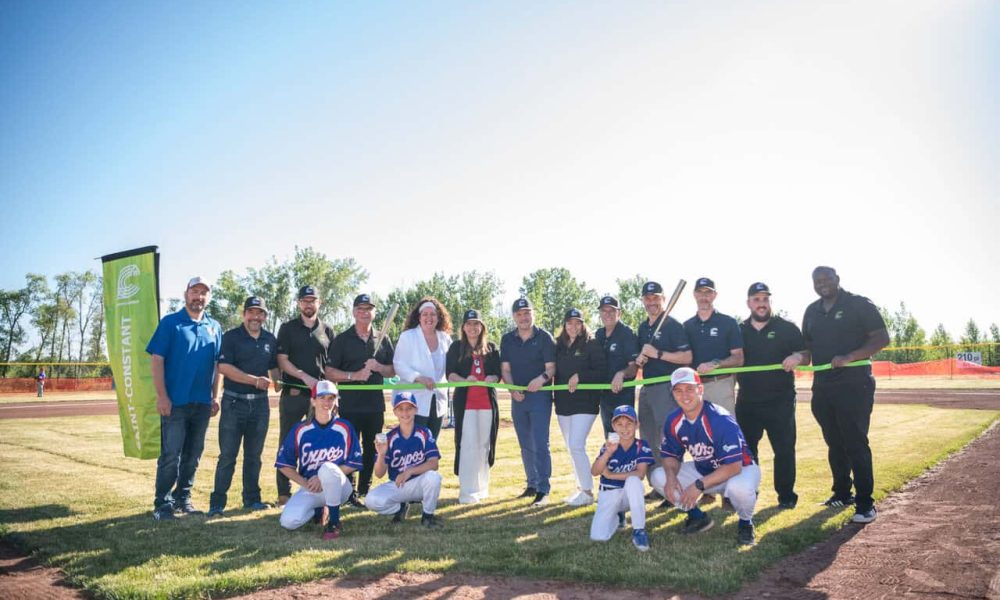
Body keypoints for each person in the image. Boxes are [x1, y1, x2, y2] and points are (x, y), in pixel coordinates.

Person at [802, 266, 889, 524]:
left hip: (854, 384)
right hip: (823, 387)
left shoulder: (858, 304)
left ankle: (865, 504)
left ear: (837, 280)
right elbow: (808, 348)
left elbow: (882, 338)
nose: (822, 284)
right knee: (834, 442)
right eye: (817, 281)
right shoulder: (811, 311)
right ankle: (842, 493)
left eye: (827, 279)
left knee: (855, 442)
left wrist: (850, 357)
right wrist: (797, 357)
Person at [650, 367, 761, 545]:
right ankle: (697, 517)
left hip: (739, 470)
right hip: (705, 470)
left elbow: (733, 466)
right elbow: (670, 454)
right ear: (672, 393)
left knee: (739, 488)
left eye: (689, 389)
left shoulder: (719, 418)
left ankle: (745, 523)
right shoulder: (673, 420)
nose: (684, 395)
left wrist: (698, 486)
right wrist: (671, 478)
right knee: (658, 476)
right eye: (678, 390)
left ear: (700, 389)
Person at [146, 276, 223, 521]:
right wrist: (162, 396)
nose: (198, 297)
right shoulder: (170, 323)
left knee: (193, 454)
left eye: (203, 293)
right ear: (185, 294)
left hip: (202, 404)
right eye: (194, 291)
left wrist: (215, 396)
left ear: (207, 297)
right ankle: (162, 504)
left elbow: (217, 365)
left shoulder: (214, 326)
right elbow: (157, 360)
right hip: (175, 402)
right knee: (171, 455)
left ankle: (183, 498)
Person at [737, 282, 809, 509]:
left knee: (784, 449)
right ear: (749, 303)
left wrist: (798, 356)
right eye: (756, 300)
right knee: (748, 451)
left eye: (765, 299)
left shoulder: (787, 328)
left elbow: (807, 354)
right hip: (748, 401)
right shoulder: (739, 330)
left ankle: (786, 496)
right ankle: (751, 492)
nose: (761, 304)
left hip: (781, 401)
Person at [208, 296, 281, 517]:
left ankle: (252, 500)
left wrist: (280, 383)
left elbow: (274, 368)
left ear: (265, 316)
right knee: (227, 455)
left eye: (260, 313)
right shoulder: (231, 337)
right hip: (233, 403)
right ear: (244, 314)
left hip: (260, 406)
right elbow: (224, 368)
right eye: (251, 312)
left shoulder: (270, 338)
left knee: (254, 456)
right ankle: (217, 504)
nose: (255, 317)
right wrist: (255, 381)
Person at [325, 294, 396, 505]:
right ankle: (349, 492)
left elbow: (392, 370)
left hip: (374, 405)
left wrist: (379, 367)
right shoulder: (342, 339)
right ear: (354, 312)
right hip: (350, 405)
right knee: (350, 449)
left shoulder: (382, 339)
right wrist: (353, 376)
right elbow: (329, 372)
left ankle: (365, 490)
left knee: (372, 448)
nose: (365, 313)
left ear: (374, 313)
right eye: (361, 309)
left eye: (369, 309)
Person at [275, 380, 362, 540]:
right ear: (313, 401)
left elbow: (353, 462)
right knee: (289, 521)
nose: (326, 402)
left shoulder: (344, 427)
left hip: (340, 487)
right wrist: (304, 483)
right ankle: (320, 510)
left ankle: (334, 522)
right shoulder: (301, 429)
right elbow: (283, 464)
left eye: (331, 398)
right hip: (311, 487)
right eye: (321, 397)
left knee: (327, 469)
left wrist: (323, 478)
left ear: (336, 401)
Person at [275, 285, 337, 506]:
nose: (308, 304)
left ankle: (319, 485)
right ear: (299, 303)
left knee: (321, 441)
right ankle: (284, 493)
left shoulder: (328, 330)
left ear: (319, 303)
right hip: (294, 395)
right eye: (304, 301)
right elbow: (282, 360)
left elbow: (331, 366)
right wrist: (304, 377)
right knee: (288, 443)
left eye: (313, 300)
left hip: (321, 399)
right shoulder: (287, 328)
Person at [500, 297, 557, 506]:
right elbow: (505, 370)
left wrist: (540, 380)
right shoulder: (507, 339)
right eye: (519, 314)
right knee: (525, 443)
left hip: (540, 397)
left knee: (541, 442)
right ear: (514, 317)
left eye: (527, 313)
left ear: (533, 314)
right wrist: (512, 389)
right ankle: (531, 483)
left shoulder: (544, 338)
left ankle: (543, 488)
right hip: (518, 398)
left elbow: (551, 368)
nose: (523, 317)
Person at [634, 281, 692, 481]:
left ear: (663, 299)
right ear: (643, 301)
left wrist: (657, 353)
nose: (651, 302)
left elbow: (687, 357)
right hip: (647, 388)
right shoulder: (643, 328)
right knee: (648, 438)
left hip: (666, 387)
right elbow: (641, 356)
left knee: (668, 438)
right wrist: (639, 360)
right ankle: (657, 484)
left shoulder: (673, 325)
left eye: (656, 298)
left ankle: (674, 481)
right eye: (647, 298)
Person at [446, 309, 501, 504]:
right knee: (468, 445)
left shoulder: (492, 348)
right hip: (466, 404)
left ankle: (482, 488)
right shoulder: (456, 348)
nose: (472, 328)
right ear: (463, 327)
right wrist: (464, 380)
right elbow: (450, 375)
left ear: (482, 327)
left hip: (487, 403)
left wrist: (491, 378)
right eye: (469, 324)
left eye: (476, 324)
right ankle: (467, 491)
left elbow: (497, 374)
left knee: (484, 445)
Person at [365, 391, 444, 528]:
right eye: (401, 409)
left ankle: (427, 516)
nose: (405, 413)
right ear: (395, 412)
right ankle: (399, 508)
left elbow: (434, 463)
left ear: (416, 410)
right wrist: (382, 454)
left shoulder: (424, 433)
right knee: (371, 500)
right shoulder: (389, 437)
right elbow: (379, 474)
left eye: (409, 408)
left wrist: (409, 471)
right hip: (398, 485)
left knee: (433, 478)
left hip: (419, 483)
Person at [554, 308, 606, 506]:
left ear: (583, 324)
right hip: (563, 404)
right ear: (564, 325)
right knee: (571, 447)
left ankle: (587, 491)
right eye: (569, 323)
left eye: (577, 323)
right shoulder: (559, 345)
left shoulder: (591, 344)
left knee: (576, 444)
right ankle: (579, 488)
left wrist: (580, 376)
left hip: (585, 403)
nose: (573, 326)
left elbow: (602, 372)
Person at [589, 405, 654, 552]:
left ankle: (639, 530)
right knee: (598, 536)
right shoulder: (610, 445)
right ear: (613, 426)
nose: (624, 428)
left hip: (629, 495)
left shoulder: (641, 446)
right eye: (619, 424)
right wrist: (607, 453)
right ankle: (618, 517)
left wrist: (611, 475)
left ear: (637, 425)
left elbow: (640, 474)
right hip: (609, 493)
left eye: (629, 423)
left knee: (633, 481)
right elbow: (595, 471)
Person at [392, 297, 453, 439]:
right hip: (413, 401)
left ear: (438, 318)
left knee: (432, 443)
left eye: (432, 314)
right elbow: (399, 365)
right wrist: (419, 378)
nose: (429, 317)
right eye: (425, 314)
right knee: (415, 444)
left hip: (438, 400)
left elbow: (452, 365)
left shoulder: (445, 338)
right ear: (419, 318)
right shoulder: (408, 336)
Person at [683, 277, 744, 415]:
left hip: (720, 385)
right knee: (696, 433)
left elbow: (739, 358)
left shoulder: (728, 322)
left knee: (723, 431)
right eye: (700, 292)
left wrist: (715, 364)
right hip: (694, 388)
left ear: (714, 295)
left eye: (708, 292)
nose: (704, 296)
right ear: (694, 294)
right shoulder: (687, 326)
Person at [595, 296, 639, 436]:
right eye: (604, 311)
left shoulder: (626, 333)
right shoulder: (599, 334)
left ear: (619, 313)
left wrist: (621, 374)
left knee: (625, 437)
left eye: (612, 311)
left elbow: (634, 367)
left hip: (622, 397)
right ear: (600, 314)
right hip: (604, 396)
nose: (607, 314)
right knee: (610, 439)